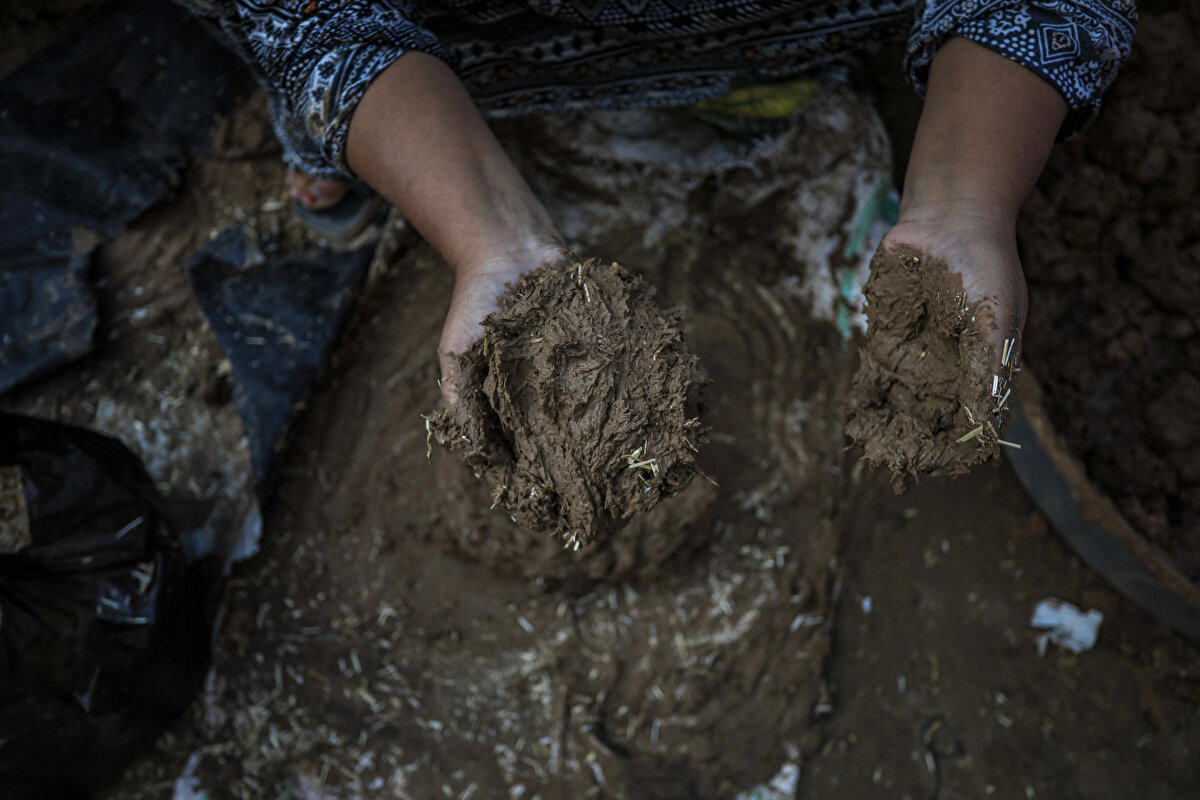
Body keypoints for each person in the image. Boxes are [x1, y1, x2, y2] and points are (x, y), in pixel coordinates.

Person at [176, 1, 1137, 405]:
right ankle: (358, 161)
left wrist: (962, 210)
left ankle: (735, 91)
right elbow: (306, 14)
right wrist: (489, 241)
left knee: (750, 80)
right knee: (338, 97)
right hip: (456, 36)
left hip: (766, 25)